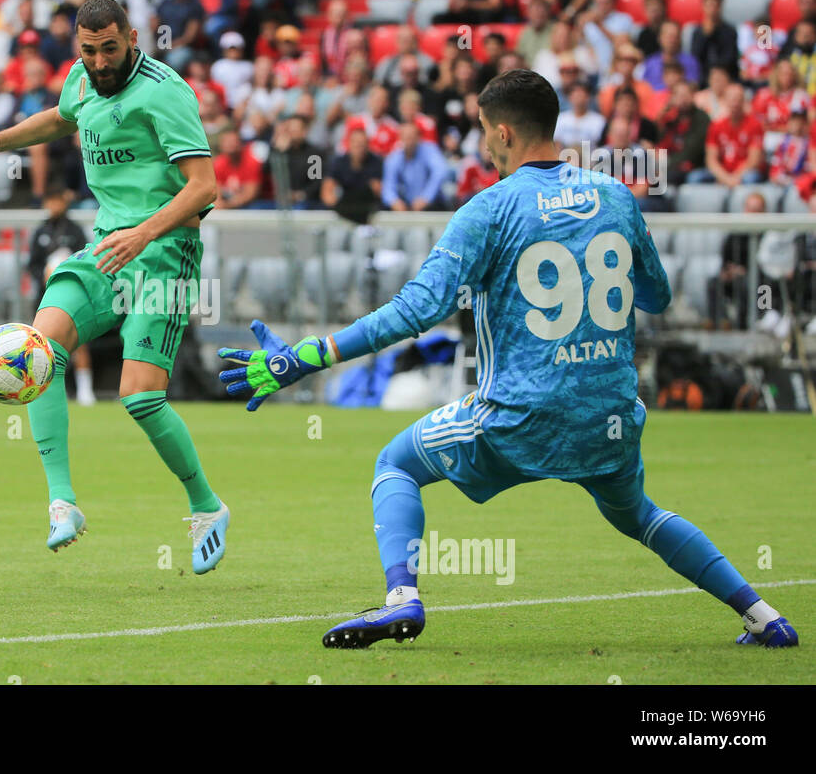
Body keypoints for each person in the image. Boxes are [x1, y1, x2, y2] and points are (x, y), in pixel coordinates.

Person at [216, 69, 797, 650]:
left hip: (517, 416)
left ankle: (401, 600)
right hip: (609, 414)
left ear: (501, 133)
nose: (480, 144)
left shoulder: (488, 209)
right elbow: (659, 296)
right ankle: (763, 615)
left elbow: (416, 310)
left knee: (395, 465)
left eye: (480, 132)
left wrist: (306, 357)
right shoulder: (615, 195)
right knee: (637, 515)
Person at [0, 0, 230, 573]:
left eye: (109, 49)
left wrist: (143, 234)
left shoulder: (165, 92)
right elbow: (57, 118)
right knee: (39, 351)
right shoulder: (82, 78)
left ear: (133, 38)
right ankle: (62, 502)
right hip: (105, 246)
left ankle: (206, 506)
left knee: (140, 397)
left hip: (164, 251)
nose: (98, 61)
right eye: (87, 50)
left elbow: (204, 188)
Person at [28, 191, 97, 406]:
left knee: (79, 343)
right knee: (42, 345)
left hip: (72, 295)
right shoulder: (40, 230)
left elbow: (86, 258)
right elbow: (32, 264)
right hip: (44, 296)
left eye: (56, 200)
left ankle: (85, 390)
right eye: (50, 200)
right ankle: (44, 390)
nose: (53, 205)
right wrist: (43, 276)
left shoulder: (75, 230)